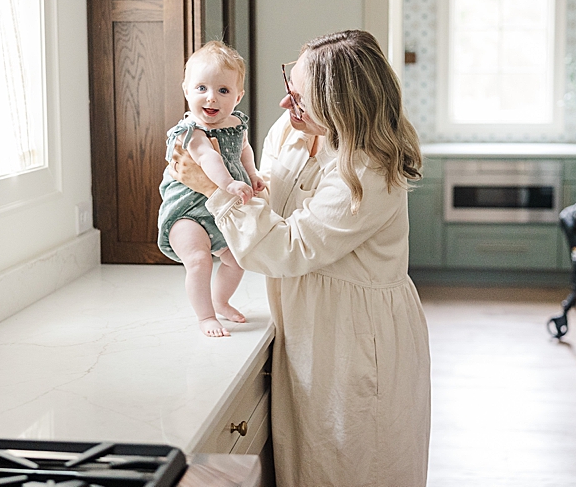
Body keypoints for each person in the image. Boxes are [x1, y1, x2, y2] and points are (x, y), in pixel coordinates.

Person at [170, 30, 431, 486]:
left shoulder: (368, 169)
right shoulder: (290, 133)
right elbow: (267, 202)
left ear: (341, 108)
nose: (285, 106)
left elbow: (288, 247)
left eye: (302, 99)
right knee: (310, 465)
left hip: (356, 336)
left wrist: (212, 189)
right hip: (304, 321)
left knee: (355, 467)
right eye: (290, 85)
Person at [157, 41, 265, 337]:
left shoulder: (236, 124)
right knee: (199, 260)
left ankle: (220, 301)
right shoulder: (190, 131)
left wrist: (252, 173)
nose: (211, 98)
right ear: (186, 90)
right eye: (201, 88)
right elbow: (208, 157)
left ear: (238, 96)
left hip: (220, 208)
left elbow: (244, 150)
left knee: (237, 259)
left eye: (223, 91)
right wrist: (230, 183)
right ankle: (205, 316)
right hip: (187, 210)